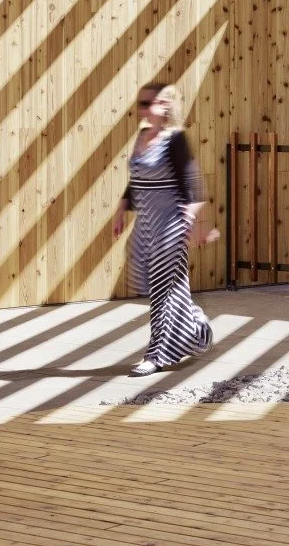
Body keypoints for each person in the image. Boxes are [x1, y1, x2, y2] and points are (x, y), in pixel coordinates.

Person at [112, 83, 217, 376]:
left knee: (162, 291)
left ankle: (157, 354)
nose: (142, 109)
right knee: (157, 286)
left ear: (165, 106)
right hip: (146, 225)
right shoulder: (142, 137)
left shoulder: (176, 140)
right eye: (140, 104)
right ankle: (197, 330)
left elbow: (193, 186)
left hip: (170, 225)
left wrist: (192, 219)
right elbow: (136, 180)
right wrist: (121, 210)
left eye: (148, 103)